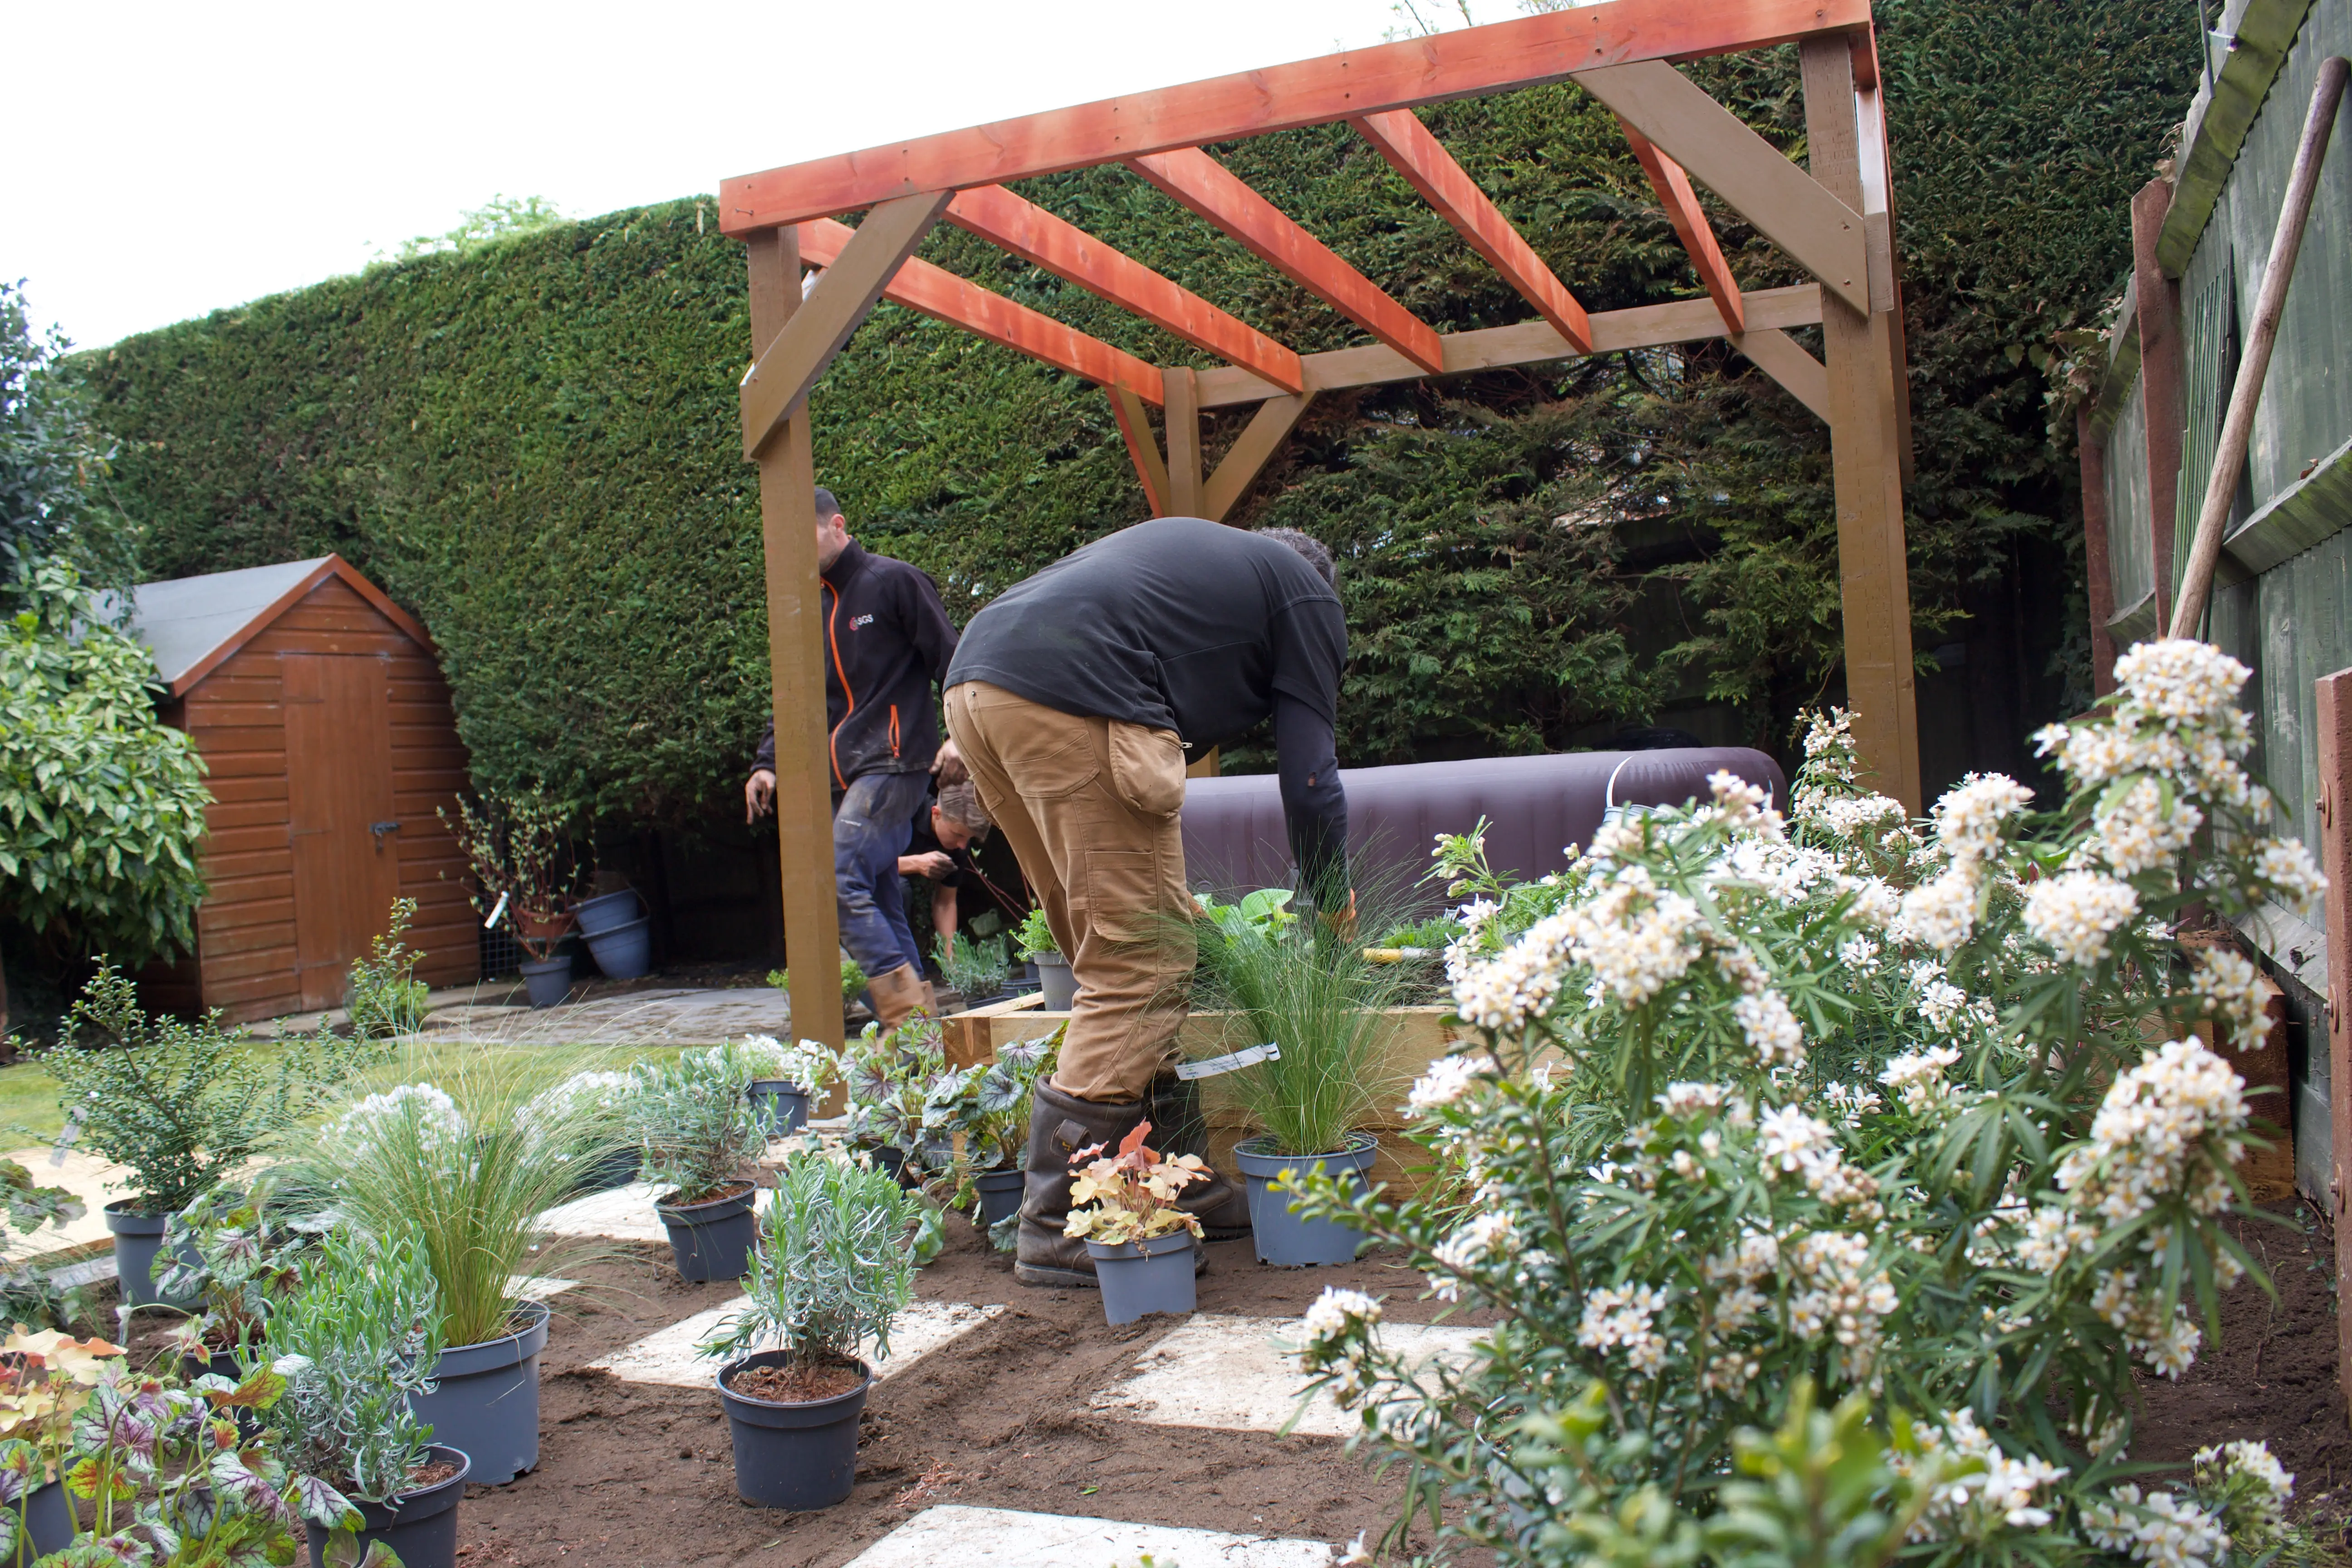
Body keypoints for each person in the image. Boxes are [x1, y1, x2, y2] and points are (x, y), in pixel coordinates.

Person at [942, 517, 1351, 1287]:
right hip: (1070, 693)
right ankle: (1062, 1220)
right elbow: (1309, 777)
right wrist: (1330, 906)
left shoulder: (1197, 575)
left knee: (1117, 951)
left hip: (976, 687)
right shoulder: (1305, 595)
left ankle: (1163, 1173)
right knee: (1141, 962)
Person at [746, 487, 962, 1029]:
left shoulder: (894, 582)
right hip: (842, 780)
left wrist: (961, 732)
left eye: (806, 535)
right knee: (879, 897)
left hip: (895, 763)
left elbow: (954, 658)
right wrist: (766, 762)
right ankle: (924, 1053)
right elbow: (796, 696)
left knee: (836, 877)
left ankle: (903, 1019)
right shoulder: (808, 609)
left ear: (837, 526)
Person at [897, 779, 995, 961]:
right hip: (860, 886)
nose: (963, 844)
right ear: (936, 813)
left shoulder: (959, 845)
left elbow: (945, 902)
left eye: (968, 838)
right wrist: (916, 863)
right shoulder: (904, 809)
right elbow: (862, 865)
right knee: (900, 890)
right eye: (958, 835)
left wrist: (951, 961)